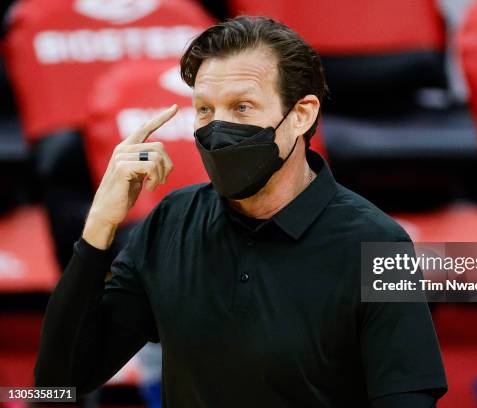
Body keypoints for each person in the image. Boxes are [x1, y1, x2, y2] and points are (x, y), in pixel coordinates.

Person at [35, 16, 447, 407]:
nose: (218, 128)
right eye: (204, 109)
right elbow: (60, 383)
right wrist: (99, 227)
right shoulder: (170, 222)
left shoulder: (380, 245)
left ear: (301, 115)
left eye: (242, 108)